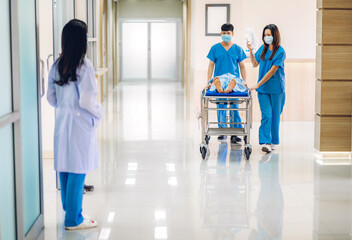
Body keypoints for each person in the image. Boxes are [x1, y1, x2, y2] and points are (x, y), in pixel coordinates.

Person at [47, 19, 104, 230]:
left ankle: (70, 212)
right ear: (81, 41)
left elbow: (51, 98)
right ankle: (74, 219)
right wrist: (99, 113)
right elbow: (87, 100)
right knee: (78, 169)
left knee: (65, 166)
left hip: (62, 121)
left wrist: (64, 107)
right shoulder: (84, 65)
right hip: (79, 123)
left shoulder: (56, 65)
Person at [247, 24, 286, 153]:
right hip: (263, 90)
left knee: (275, 116)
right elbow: (254, 64)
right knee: (267, 115)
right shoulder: (262, 49)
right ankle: (266, 142)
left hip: (277, 89)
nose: (266, 37)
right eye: (265, 35)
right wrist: (251, 51)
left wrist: (257, 84)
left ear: (275, 36)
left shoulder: (280, 52)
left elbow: (271, 72)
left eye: (269, 35)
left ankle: (274, 141)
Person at [207, 23, 248, 143]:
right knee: (221, 107)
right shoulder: (215, 48)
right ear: (221, 34)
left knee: (234, 107)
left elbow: (242, 66)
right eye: (224, 33)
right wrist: (208, 82)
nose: (226, 35)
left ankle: (235, 133)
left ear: (232, 34)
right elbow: (210, 66)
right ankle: (223, 131)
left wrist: (244, 82)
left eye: (228, 33)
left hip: (233, 82)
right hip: (219, 79)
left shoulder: (238, 49)